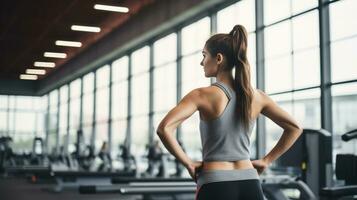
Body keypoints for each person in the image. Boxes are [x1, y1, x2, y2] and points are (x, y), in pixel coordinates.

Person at [156, 25, 303, 200]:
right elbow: (295, 127)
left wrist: (188, 163)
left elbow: (164, 128)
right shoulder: (256, 96)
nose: (201, 62)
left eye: (204, 56)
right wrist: (266, 160)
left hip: (214, 182)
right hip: (250, 181)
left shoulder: (201, 95)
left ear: (218, 58)